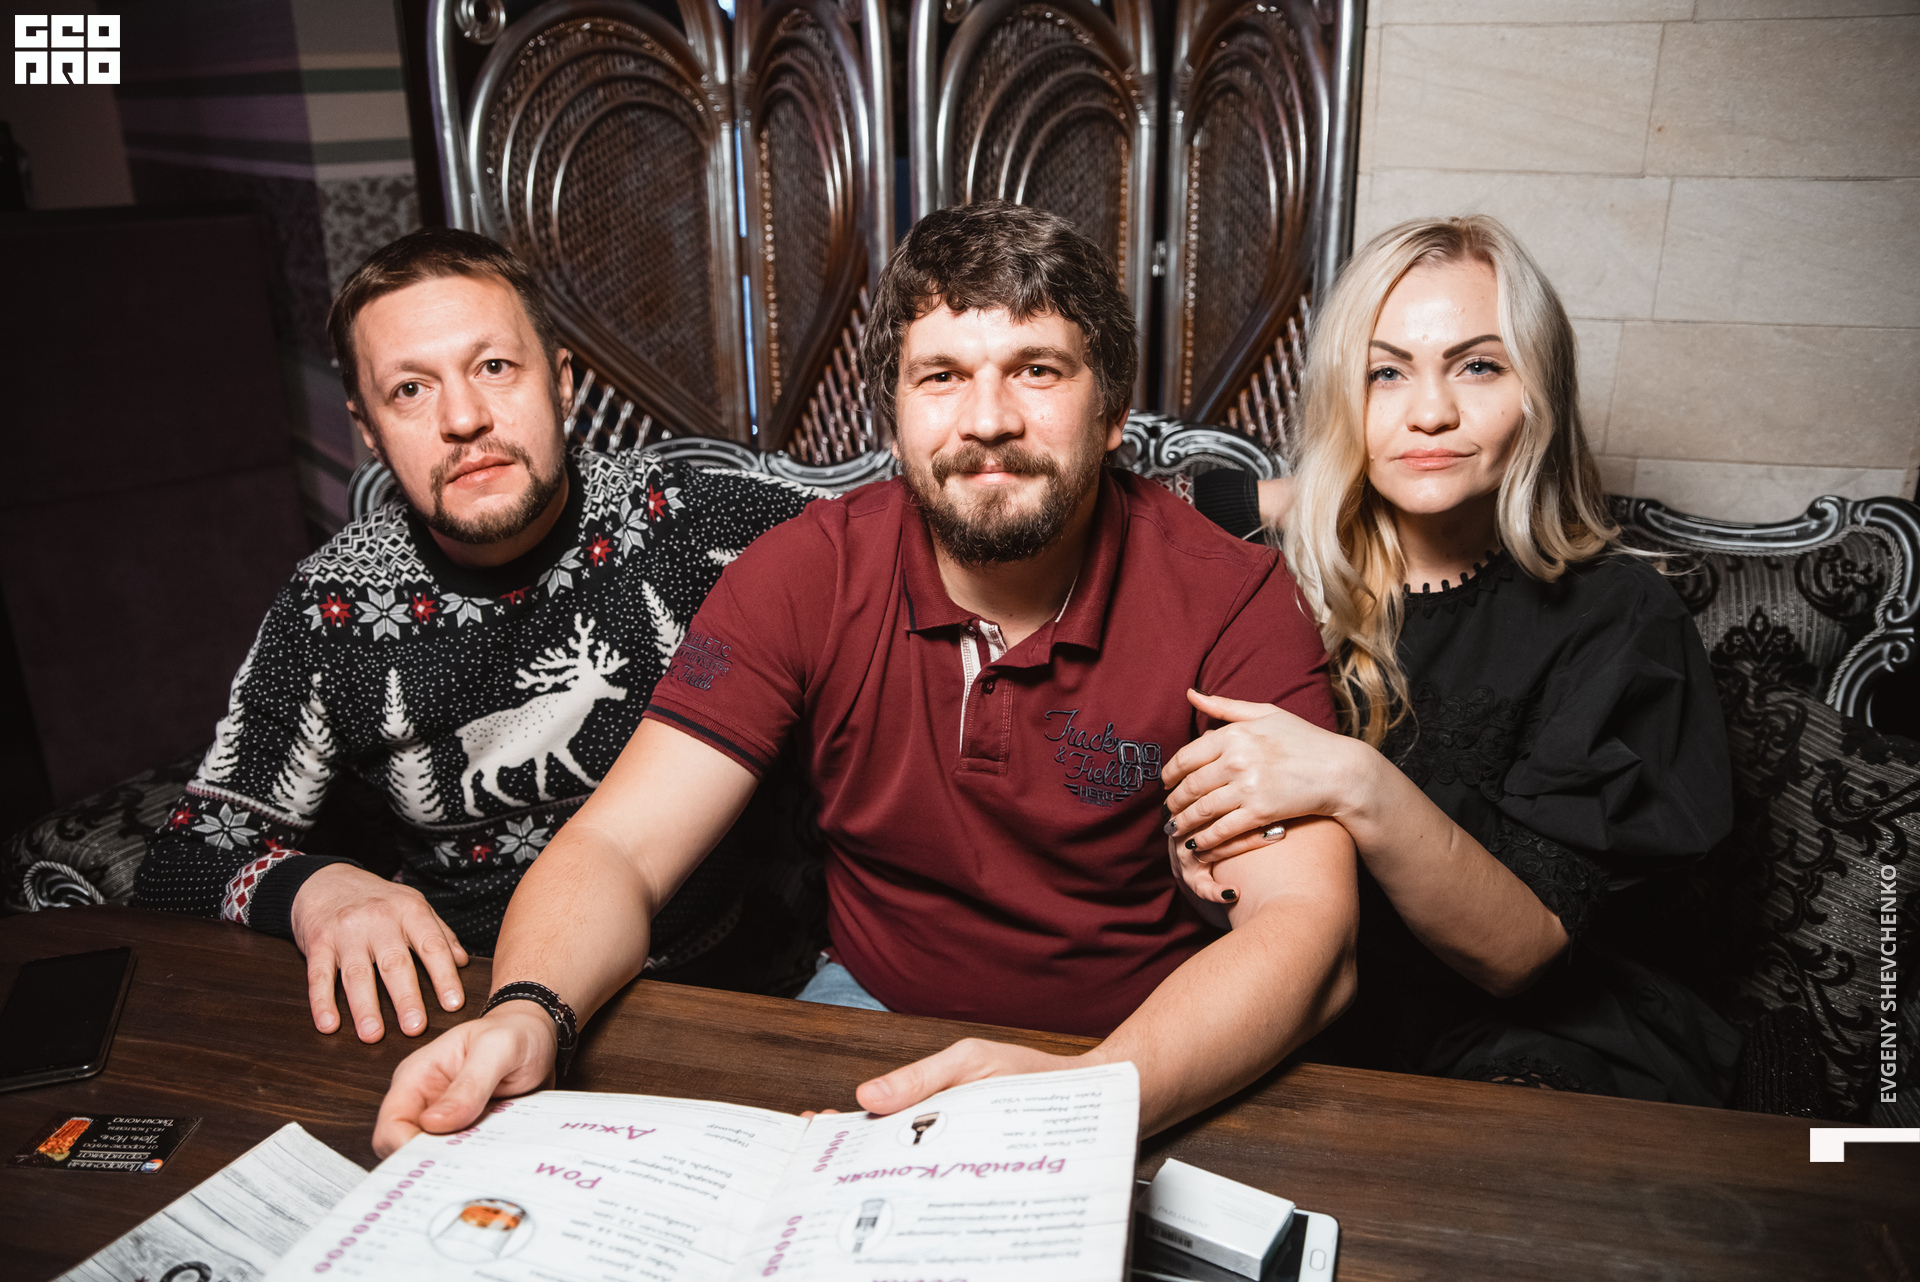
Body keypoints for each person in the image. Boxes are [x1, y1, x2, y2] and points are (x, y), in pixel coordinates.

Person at [372, 201, 1359, 1157]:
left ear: (1111, 415)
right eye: (941, 376)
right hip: (872, 1023)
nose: (988, 419)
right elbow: (620, 847)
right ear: (892, 419)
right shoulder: (805, 573)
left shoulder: (1234, 600)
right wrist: (527, 1011)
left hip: (1151, 1047)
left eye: (1037, 370)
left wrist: (1091, 1095)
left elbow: (1305, 926)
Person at [133, 228, 819, 1045]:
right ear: (368, 428)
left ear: (561, 384)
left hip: (732, 993)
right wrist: (314, 891)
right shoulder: (330, 609)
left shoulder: (694, 524)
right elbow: (180, 865)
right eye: (410, 390)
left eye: (494, 367)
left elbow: (894, 554)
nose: (463, 418)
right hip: (473, 1012)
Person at [1167, 215, 1740, 1104]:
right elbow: (1143, 509)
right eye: (1385, 373)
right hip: (1298, 995)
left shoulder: (1619, 617)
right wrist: (1192, 837)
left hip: (1533, 1030)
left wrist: (1354, 781)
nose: (1430, 412)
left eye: (1478, 366)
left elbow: (1520, 957)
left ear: (1539, 389)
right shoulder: (1263, 573)